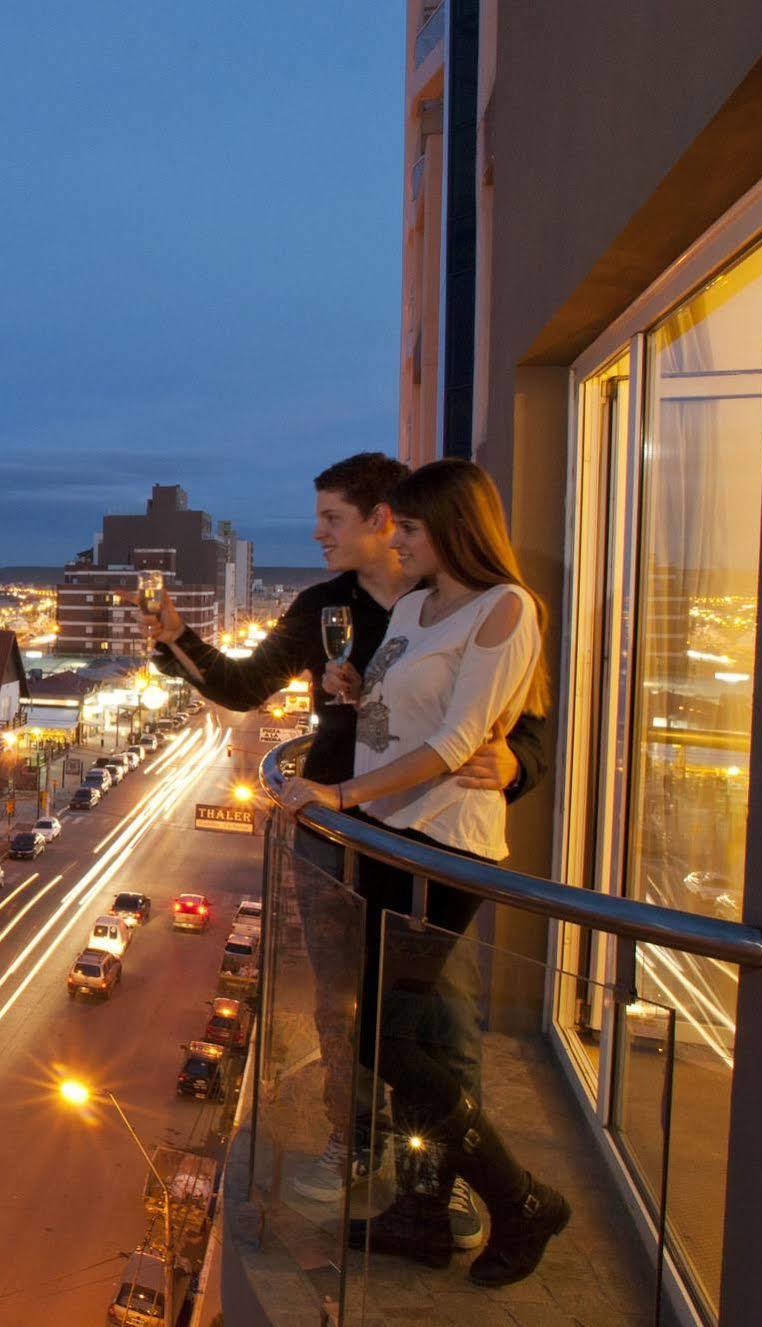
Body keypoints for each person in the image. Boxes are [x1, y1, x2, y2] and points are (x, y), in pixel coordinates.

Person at [143, 452, 549, 1249]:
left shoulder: (479, 604)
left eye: (332, 517)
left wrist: (516, 763)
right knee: (350, 1006)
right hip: (351, 830)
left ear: (384, 519)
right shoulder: (343, 605)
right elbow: (246, 685)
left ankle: (446, 1183)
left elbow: (511, 719)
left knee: (436, 1021)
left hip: (426, 832)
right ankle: (363, 1143)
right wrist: (179, 642)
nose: (317, 532)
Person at [279, 458, 569, 1288]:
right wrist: (348, 684)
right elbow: (389, 711)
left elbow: (451, 743)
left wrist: (336, 791)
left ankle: (520, 1199)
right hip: (384, 839)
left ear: (452, 527)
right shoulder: (411, 604)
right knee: (393, 1032)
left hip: (440, 848)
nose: (396, 540)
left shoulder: (504, 609)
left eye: (407, 527)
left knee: (393, 1033)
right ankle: (421, 1210)